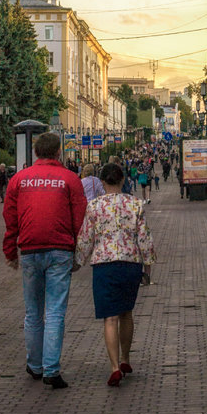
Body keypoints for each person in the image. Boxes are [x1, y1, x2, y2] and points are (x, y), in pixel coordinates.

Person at [3, 132, 87, 389]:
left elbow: (10, 217)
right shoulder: (70, 179)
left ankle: (34, 364)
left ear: (36, 153)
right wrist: (78, 252)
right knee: (55, 312)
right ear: (59, 152)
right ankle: (51, 369)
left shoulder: (19, 179)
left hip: (29, 249)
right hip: (60, 250)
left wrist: (10, 251)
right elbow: (79, 218)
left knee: (33, 312)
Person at [75, 162, 155, 387]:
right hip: (130, 264)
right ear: (122, 181)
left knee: (109, 318)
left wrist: (77, 261)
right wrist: (147, 269)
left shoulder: (94, 206)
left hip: (104, 264)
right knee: (126, 313)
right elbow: (145, 239)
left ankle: (114, 367)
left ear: (102, 182)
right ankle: (126, 358)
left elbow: (86, 238)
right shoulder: (135, 204)